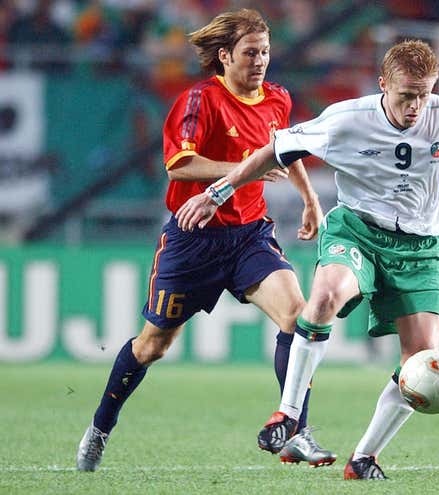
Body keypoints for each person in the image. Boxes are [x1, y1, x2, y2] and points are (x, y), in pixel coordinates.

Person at [175, 40, 439, 479]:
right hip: (357, 230)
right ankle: (287, 413)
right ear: (383, 85)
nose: (416, 106)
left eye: (424, 94)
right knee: (324, 297)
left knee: (422, 364)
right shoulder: (346, 120)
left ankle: (364, 458)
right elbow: (274, 150)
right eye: (406, 95)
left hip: (420, 250)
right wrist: (217, 192)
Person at [76, 9, 336, 472]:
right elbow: (179, 165)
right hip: (193, 240)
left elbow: (285, 148)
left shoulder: (277, 98)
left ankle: (297, 431)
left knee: (299, 317)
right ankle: (100, 427)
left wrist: (311, 199)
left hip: (250, 234)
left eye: (266, 52)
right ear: (224, 56)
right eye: (251, 53)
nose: (261, 61)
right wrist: (243, 171)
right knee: (152, 346)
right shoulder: (198, 100)